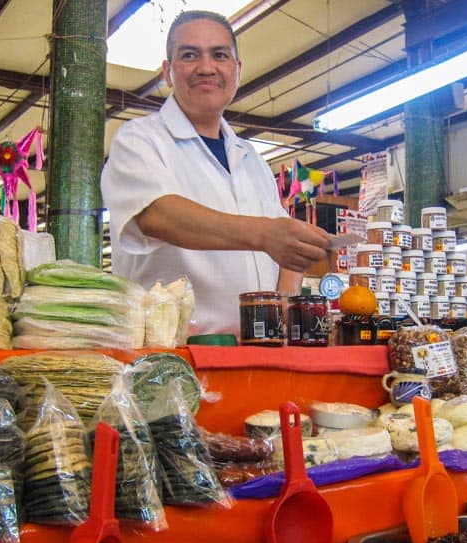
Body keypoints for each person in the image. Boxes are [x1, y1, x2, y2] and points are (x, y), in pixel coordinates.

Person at [101, 10, 330, 337]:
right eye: (190, 55)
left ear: (237, 70)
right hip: (174, 357)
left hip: (254, 355)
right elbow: (155, 214)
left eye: (219, 55)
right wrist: (266, 234)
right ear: (168, 72)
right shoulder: (140, 140)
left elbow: (286, 247)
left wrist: (282, 300)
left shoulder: (250, 157)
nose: (206, 68)